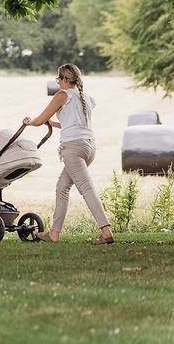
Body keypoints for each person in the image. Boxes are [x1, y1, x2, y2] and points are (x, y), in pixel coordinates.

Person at [23, 63, 115, 245]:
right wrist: (53, 123)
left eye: (59, 79)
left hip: (73, 149)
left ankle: (106, 232)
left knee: (86, 188)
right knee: (62, 187)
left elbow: (39, 120)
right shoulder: (86, 97)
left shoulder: (62, 95)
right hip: (89, 147)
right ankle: (54, 234)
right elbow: (73, 124)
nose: (58, 83)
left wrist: (29, 121)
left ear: (65, 79)